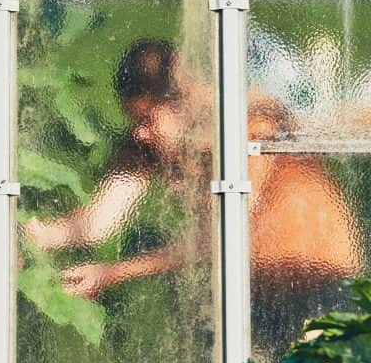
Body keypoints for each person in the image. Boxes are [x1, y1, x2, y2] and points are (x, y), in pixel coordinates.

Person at [24, 39, 363, 318]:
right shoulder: (157, 140)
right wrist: (36, 235)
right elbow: (95, 225)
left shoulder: (250, 122)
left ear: (181, 99)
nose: (139, 133)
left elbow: (220, 234)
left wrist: (114, 272)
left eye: (145, 119)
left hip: (319, 285)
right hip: (258, 295)